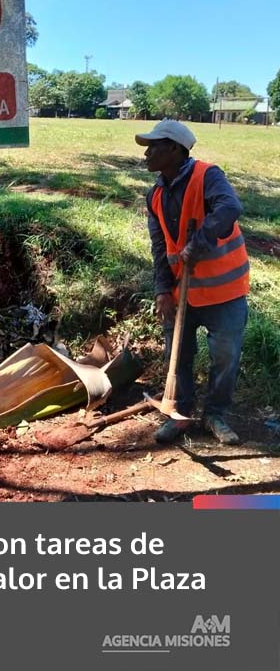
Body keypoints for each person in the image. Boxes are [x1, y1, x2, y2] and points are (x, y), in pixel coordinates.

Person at [135, 120, 249, 445]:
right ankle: (181, 413)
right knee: (178, 355)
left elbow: (230, 207)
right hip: (180, 292)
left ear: (174, 149)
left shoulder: (207, 176)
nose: (146, 154)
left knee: (225, 357)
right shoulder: (155, 196)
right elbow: (160, 248)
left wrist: (198, 244)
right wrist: (162, 290)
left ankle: (215, 415)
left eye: (153, 147)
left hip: (224, 292)